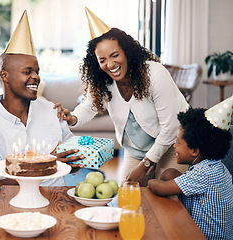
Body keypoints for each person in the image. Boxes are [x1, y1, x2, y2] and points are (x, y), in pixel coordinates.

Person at [56, 8, 189, 186]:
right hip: (136, 150)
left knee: (165, 200)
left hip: (173, 146)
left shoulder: (155, 74)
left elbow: (170, 128)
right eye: (102, 60)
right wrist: (72, 118)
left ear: (127, 52)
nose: (110, 64)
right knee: (127, 200)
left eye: (115, 55)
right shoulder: (104, 81)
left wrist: (146, 165)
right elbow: (89, 106)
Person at [0, 11, 86, 186]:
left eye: (37, 72)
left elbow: (72, 161)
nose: (36, 77)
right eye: (27, 71)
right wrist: (46, 163)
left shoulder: (53, 111)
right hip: (8, 206)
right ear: (5, 76)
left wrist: (75, 161)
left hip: (54, 201)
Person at [148, 100, 233, 239]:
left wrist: (150, 181)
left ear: (194, 151)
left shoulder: (204, 174)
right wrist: (168, 176)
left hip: (203, 237)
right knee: (170, 173)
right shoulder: (215, 167)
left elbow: (160, 188)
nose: (175, 146)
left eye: (178, 142)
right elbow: (170, 174)